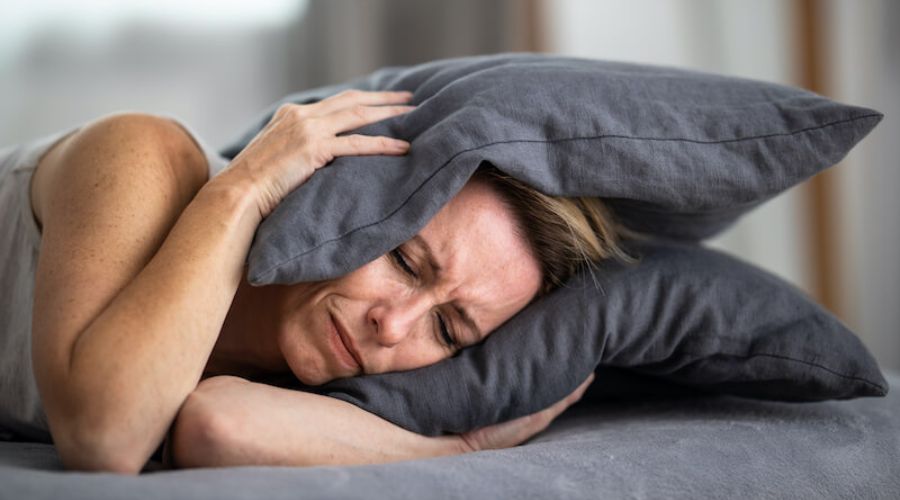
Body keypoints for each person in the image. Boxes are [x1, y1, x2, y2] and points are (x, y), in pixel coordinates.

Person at [0, 90, 629, 474]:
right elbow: (103, 437)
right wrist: (247, 187)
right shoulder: (144, 155)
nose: (393, 325)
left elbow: (216, 428)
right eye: (406, 263)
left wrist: (462, 449)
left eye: (446, 328)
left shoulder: (320, 374)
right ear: (349, 199)